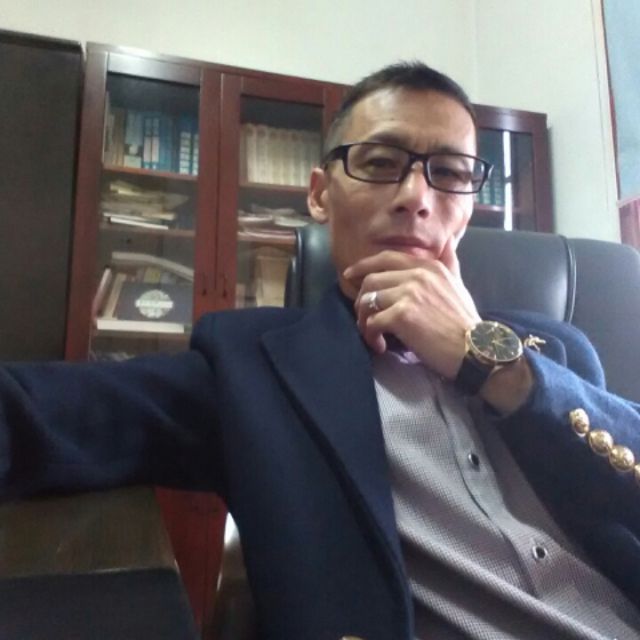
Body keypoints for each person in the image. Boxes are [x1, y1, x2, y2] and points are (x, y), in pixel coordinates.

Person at [1, 61, 640, 640]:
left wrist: (485, 361)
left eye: (449, 173)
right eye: (380, 162)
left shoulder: (552, 350)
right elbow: (34, 414)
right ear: (318, 194)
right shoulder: (251, 368)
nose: (417, 197)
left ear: (469, 207)